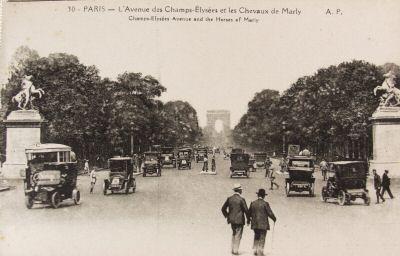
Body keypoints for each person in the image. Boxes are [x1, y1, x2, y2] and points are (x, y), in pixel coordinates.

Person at [221, 183, 249, 255]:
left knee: (233, 234)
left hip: (232, 220)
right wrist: (248, 219)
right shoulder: (242, 199)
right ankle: (235, 251)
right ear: (239, 191)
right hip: (239, 220)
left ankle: (232, 249)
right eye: (241, 190)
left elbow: (223, 209)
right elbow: (246, 210)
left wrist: (227, 216)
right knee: (238, 235)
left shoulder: (229, 198)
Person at [248, 189, 277, 256]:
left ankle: (255, 250)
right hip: (263, 224)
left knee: (256, 236)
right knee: (262, 237)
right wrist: (274, 218)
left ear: (258, 195)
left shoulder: (253, 203)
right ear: (264, 196)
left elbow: (249, 213)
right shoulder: (265, 204)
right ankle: (260, 252)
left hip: (255, 223)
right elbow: (270, 213)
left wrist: (249, 220)